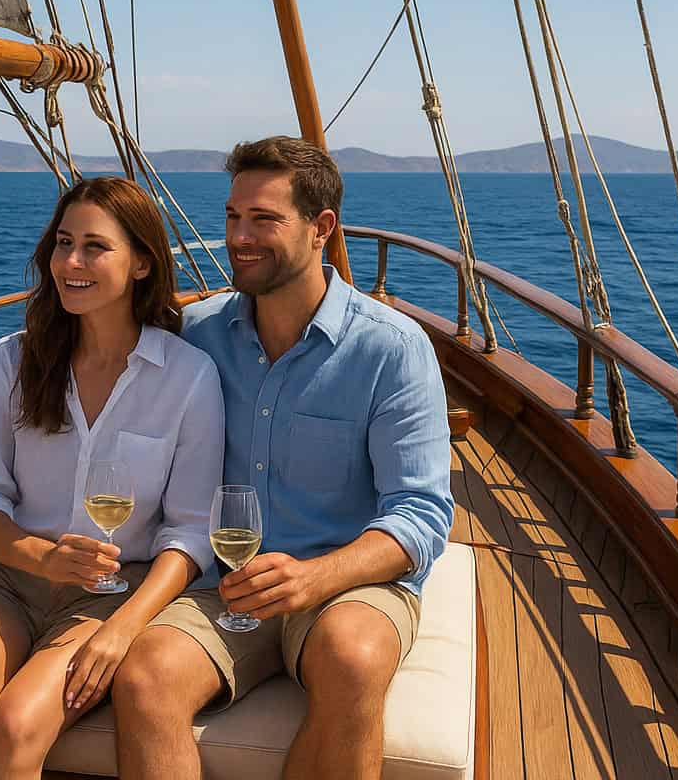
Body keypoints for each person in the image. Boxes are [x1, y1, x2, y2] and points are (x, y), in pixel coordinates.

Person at [111, 137, 453, 780]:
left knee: (352, 658)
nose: (240, 236)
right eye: (234, 217)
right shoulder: (198, 335)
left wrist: (313, 578)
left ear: (321, 227)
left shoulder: (391, 350)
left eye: (264, 220)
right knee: (146, 678)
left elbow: (422, 513)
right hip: (221, 585)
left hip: (347, 586)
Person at [0, 176, 225, 780]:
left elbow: (189, 533)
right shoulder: (14, 360)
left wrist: (123, 628)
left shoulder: (188, 377)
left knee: (16, 725)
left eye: (94, 247)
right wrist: (40, 556)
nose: (71, 263)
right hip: (8, 575)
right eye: (62, 242)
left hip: (112, 593)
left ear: (140, 263)